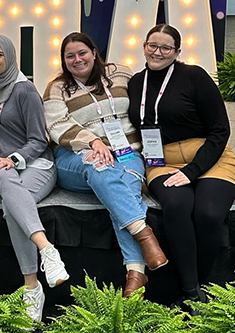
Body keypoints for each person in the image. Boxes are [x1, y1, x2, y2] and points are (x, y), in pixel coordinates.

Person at [43, 32, 168, 298]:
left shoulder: (120, 74)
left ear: (94, 51)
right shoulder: (57, 87)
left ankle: (136, 273)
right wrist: (91, 142)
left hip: (127, 153)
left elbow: (142, 106)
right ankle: (145, 235)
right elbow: (55, 125)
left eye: (82, 53)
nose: (77, 60)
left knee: (123, 186)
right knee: (99, 165)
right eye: (70, 56)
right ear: (63, 61)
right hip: (75, 157)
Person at [128, 24, 235, 305]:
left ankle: (197, 287)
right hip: (160, 159)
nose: (158, 52)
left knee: (209, 214)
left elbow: (220, 130)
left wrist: (191, 172)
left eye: (166, 47)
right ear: (144, 46)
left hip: (209, 156)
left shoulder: (194, 77)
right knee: (177, 206)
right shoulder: (135, 83)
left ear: (177, 52)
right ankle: (190, 291)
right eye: (152, 45)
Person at [0, 34, 69, 322]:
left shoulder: (25, 90)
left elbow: (38, 140)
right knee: (5, 178)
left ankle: (32, 288)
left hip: (35, 164)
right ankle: (47, 249)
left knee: (12, 205)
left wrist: (14, 158)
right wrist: (3, 161)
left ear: (10, 57)